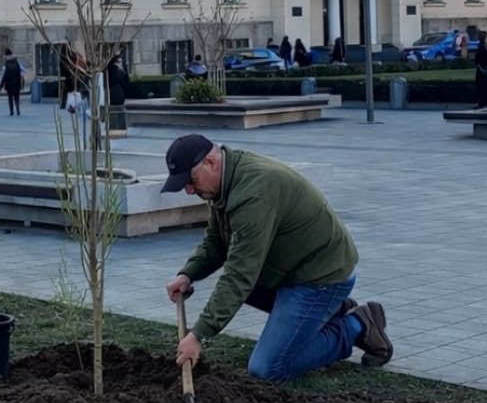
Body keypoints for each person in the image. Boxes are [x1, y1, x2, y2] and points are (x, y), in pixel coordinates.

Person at [160, 134, 391, 382]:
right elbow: (217, 242)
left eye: (191, 180)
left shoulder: (253, 194)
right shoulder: (226, 182)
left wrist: (198, 335)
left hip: (321, 277)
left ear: (211, 163)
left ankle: (357, 324)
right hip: (292, 270)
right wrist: (188, 274)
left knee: (267, 368)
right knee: (238, 288)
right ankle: (333, 310)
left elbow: (240, 274)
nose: (189, 189)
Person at [473, 32, 487, 109]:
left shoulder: (484, 47)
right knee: (485, 89)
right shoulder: (482, 48)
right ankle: (481, 103)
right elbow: (478, 61)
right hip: (484, 71)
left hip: (485, 71)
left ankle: (485, 101)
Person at [0, 48, 24, 116]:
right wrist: (22, 84)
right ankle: (18, 110)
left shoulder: (7, 64)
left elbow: (5, 75)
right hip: (17, 84)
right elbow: (21, 73)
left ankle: (11, 111)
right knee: (17, 97)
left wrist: (1, 85)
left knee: (10, 98)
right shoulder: (17, 63)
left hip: (9, 84)